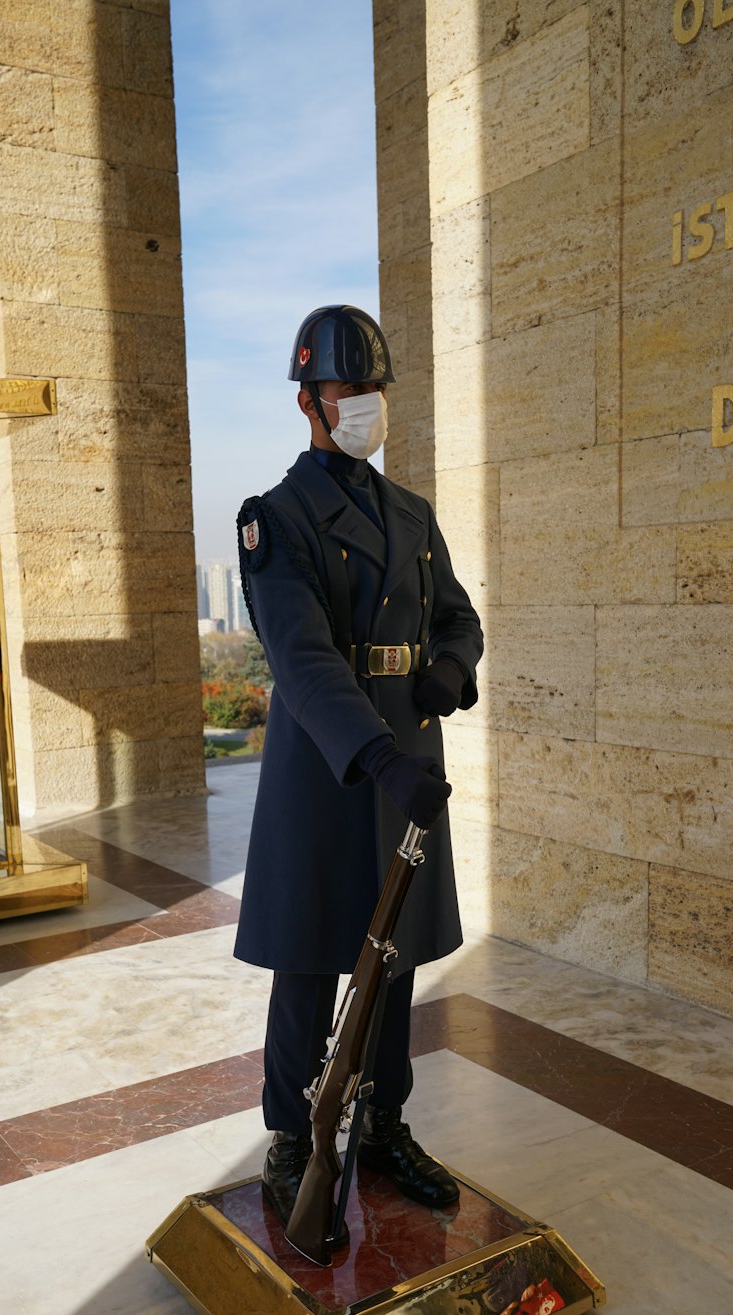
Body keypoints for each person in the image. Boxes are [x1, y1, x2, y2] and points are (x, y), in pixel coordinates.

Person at [235, 305, 484, 1235]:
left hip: (408, 750)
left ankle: (383, 1121)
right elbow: (300, 657)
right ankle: (294, 1139)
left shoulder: (411, 515)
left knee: (399, 954)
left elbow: (458, 617)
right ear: (309, 400)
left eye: (375, 389)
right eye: (349, 390)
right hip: (332, 762)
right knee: (309, 956)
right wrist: (376, 753)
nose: (366, 405)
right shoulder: (278, 519)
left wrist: (450, 671)